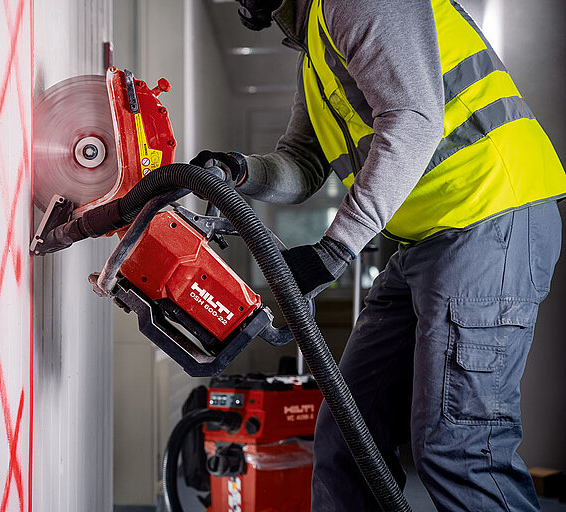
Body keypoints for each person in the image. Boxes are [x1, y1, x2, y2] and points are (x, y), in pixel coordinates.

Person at [192, 0, 566, 510]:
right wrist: (239, 172)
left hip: (487, 214)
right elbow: (302, 165)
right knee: (350, 434)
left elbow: (413, 119)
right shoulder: (316, 53)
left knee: (460, 447)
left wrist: (334, 249)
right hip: (427, 241)